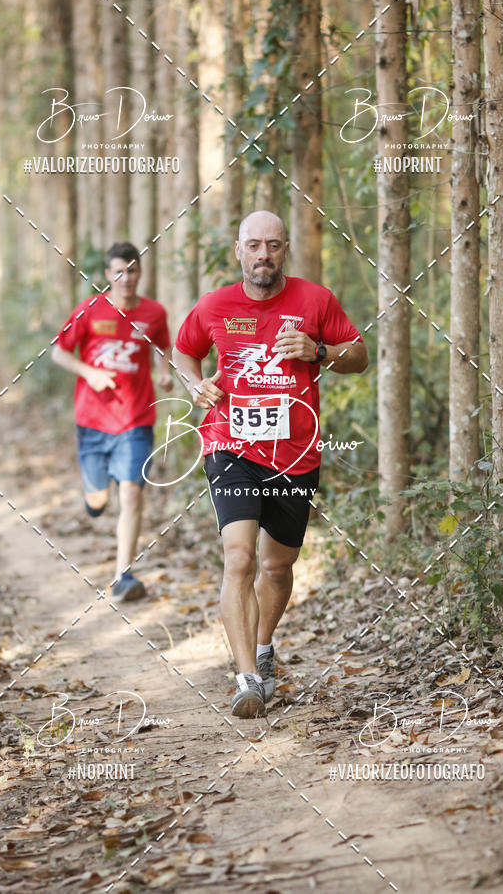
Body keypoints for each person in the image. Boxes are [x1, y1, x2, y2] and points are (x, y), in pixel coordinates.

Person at [172, 211, 368, 718]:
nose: (264, 255)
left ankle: (261, 646)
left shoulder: (314, 300)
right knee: (239, 558)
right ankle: (247, 679)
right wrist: (197, 387)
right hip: (230, 444)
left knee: (278, 567)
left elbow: (359, 355)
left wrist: (319, 350)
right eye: (254, 245)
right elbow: (184, 352)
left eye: (274, 246)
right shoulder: (216, 305)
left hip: (296, 453)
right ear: (238, 250)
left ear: (286, 250)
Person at [52, 241, 173, 602]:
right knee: (99, 500)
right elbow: (59, 352)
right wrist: (89, 373)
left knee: (132, 494)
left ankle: (124, 575)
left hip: (136, 418)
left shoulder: (154, 313)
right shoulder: (90, 309)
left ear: (140, 273)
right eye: (118, 272)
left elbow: (163, 347)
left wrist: (164, 372)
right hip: (92, 419)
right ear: (108, 274)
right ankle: (94, 497)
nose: (126, 279)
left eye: (132, 271)